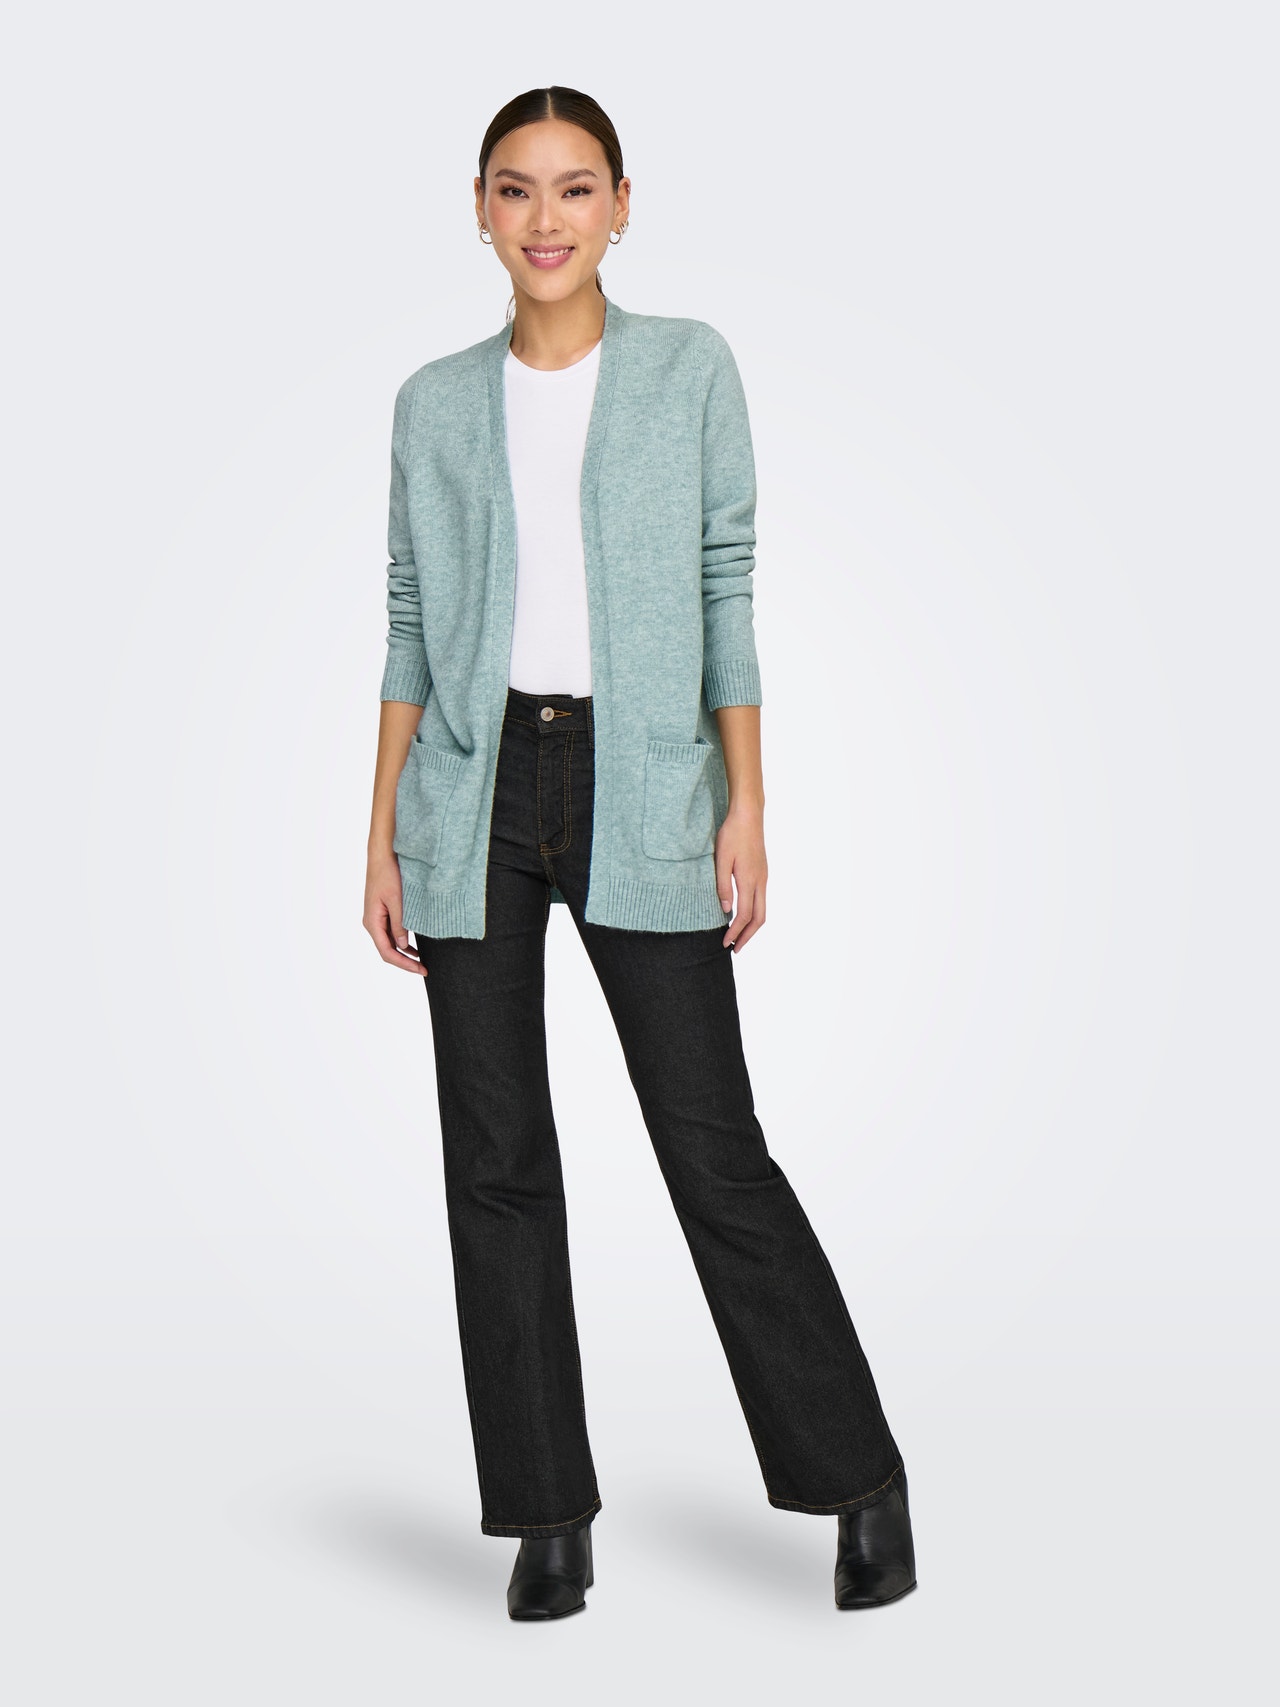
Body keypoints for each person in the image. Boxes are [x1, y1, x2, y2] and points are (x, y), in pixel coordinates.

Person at [363, 85, 917, 1621]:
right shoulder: (433, 401)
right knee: (497, 1165)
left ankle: (859, 1477)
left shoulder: (688, 368)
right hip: (472, 790)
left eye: (575, 187)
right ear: (479, 210)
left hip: (645, 777)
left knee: (711, 1147)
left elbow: (726, 580)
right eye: (516, 188)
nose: (545, 217)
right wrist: (384, 831)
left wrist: (747, 800)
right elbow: (407, 617)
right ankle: (546, 1514)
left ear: (621, 205)